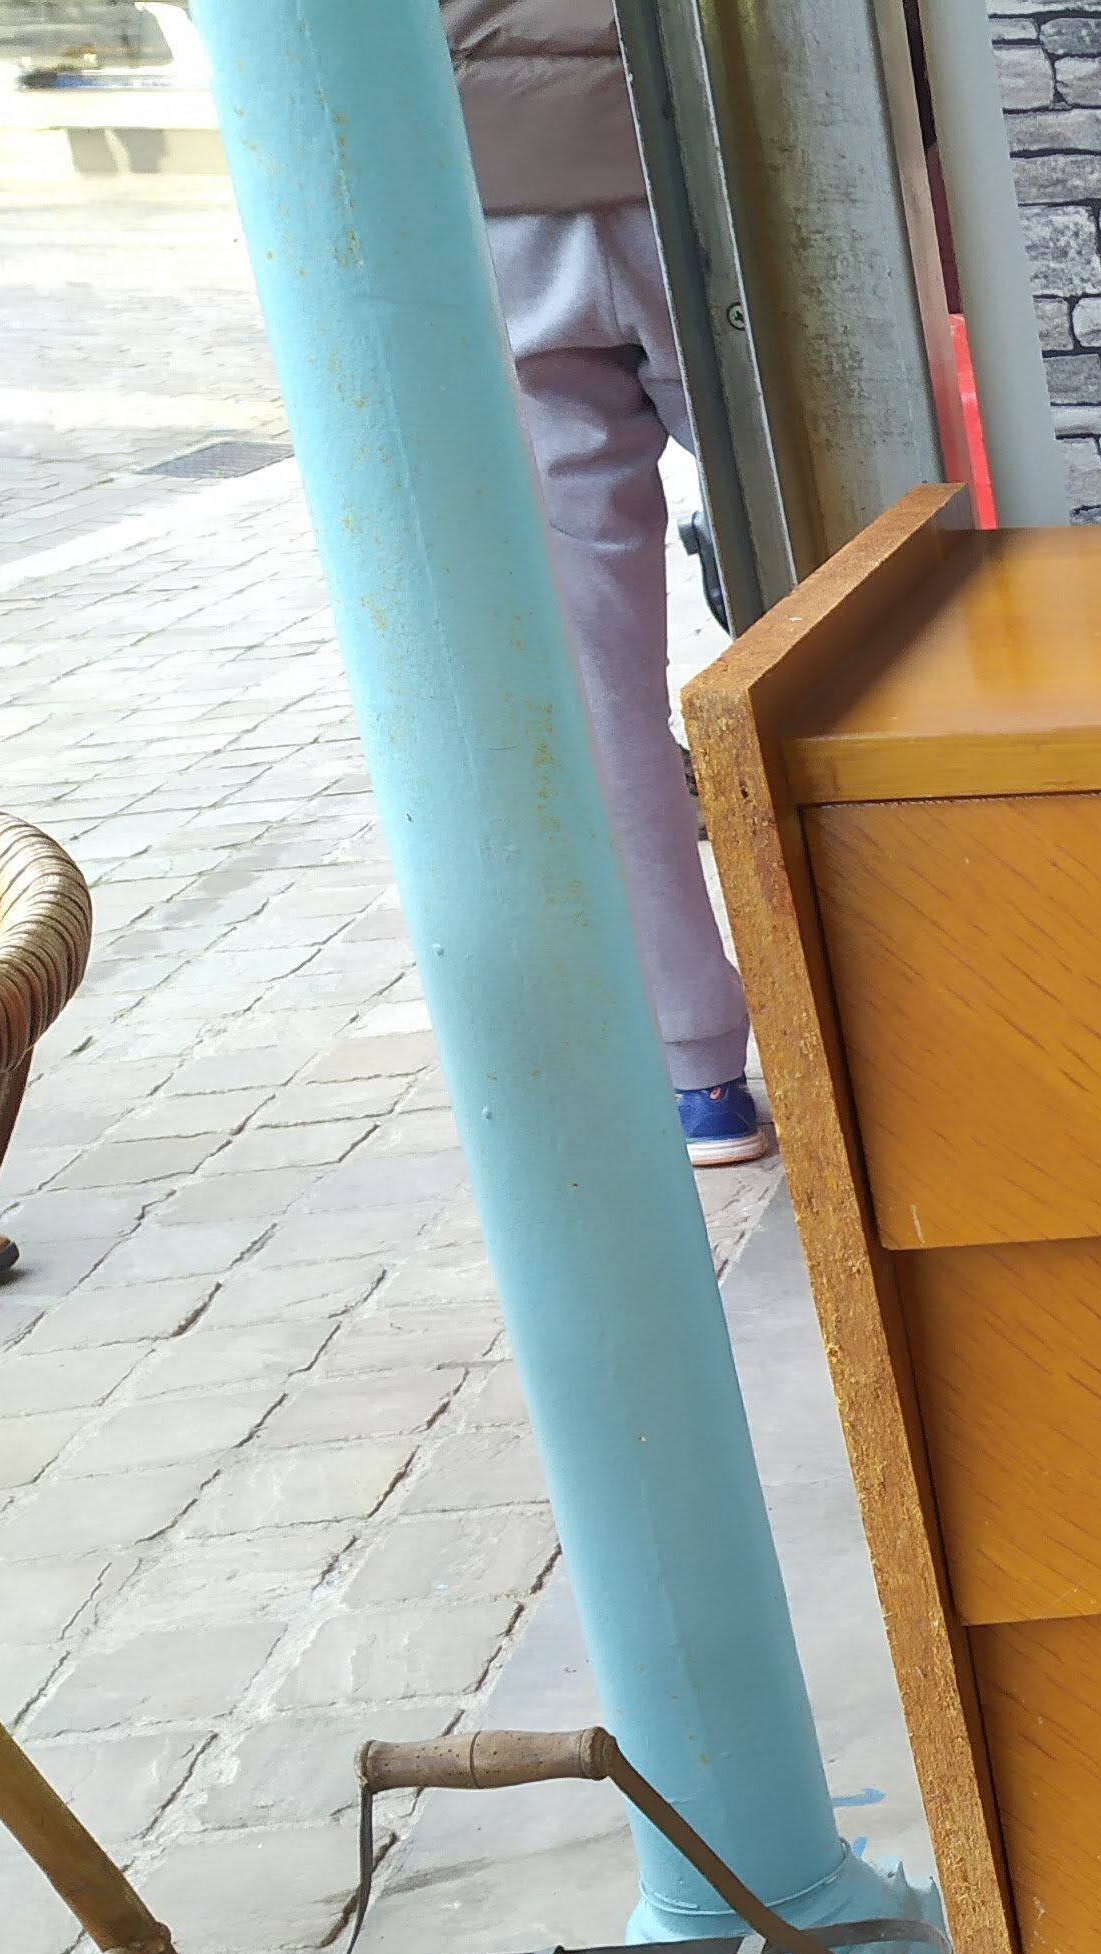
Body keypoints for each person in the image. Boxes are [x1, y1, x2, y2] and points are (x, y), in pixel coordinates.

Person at [440, 0, 770, 1167]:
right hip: (739, 137)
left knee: (592, 668)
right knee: (842, 599)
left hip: (478, 175)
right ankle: (891, 1000)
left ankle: (699, 1074)